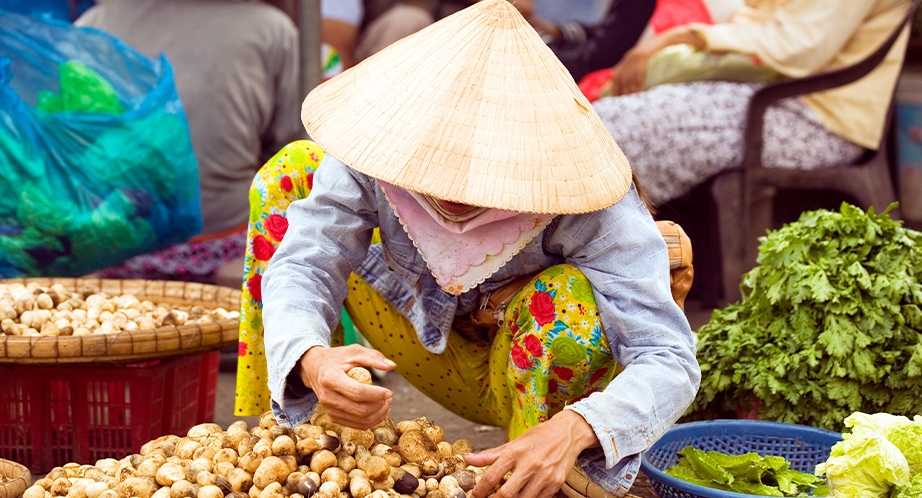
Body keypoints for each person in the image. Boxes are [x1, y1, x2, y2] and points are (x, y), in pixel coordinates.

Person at [256, 1, 700, 497]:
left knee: (568, 299)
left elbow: (668, 359)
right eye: (437, 162)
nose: (452, 189)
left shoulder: (589, 199)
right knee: (292, 171)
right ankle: (289, 430)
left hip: (527, 374)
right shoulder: (379, 146)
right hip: (412, 336)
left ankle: (529, 472)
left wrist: (579, 427)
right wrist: (310, 358)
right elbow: (306, 260)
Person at [591, 0, 913, 205]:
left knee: (613, 133)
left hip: (817, 120)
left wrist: (682, 36)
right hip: (778, 98)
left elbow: (798, 47)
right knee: (602, 123)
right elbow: (758, 19)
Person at [75, 0, 305, 283]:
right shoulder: (273, 29)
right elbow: (289, 150)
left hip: (116, 241)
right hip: (230, 245)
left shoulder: (93, 24)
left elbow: (74, 149)